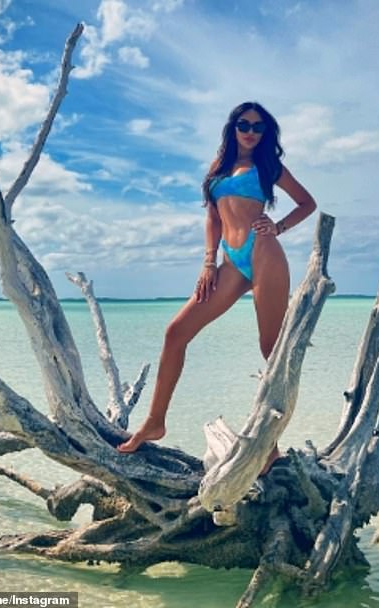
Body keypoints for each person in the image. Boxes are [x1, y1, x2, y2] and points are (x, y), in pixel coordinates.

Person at [118, 102, 317, 473]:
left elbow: (307, 203)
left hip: (264, 252)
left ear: (265, 133)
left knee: (271, 349)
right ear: (233, 128)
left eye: (258, 127)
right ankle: (155, 422)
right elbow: (212, 218)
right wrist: (208, 262)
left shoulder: (269, 166)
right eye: (244, 124)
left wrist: (279, 228)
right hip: (230, 262)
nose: (251, 131)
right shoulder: (217, 169)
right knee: (176, 332)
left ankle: (269, 443)